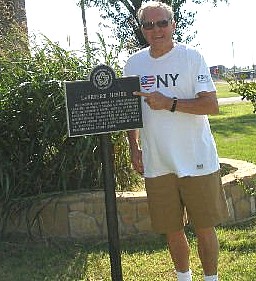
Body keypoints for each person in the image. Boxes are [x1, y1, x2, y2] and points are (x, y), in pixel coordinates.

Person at [123, 1, 229, 281]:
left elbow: (211, 105)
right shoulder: (134, 64)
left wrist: (169, 103)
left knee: (205, 227)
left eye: (162, 23)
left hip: (197, 159)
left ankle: (211, 279)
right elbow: (129, 113)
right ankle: (184, 277)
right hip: (157, 162)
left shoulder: (191, 57)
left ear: (173, 24)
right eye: (149, 24)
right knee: (172, 228)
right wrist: (134, 148)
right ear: (142, 29)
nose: (156, 29)